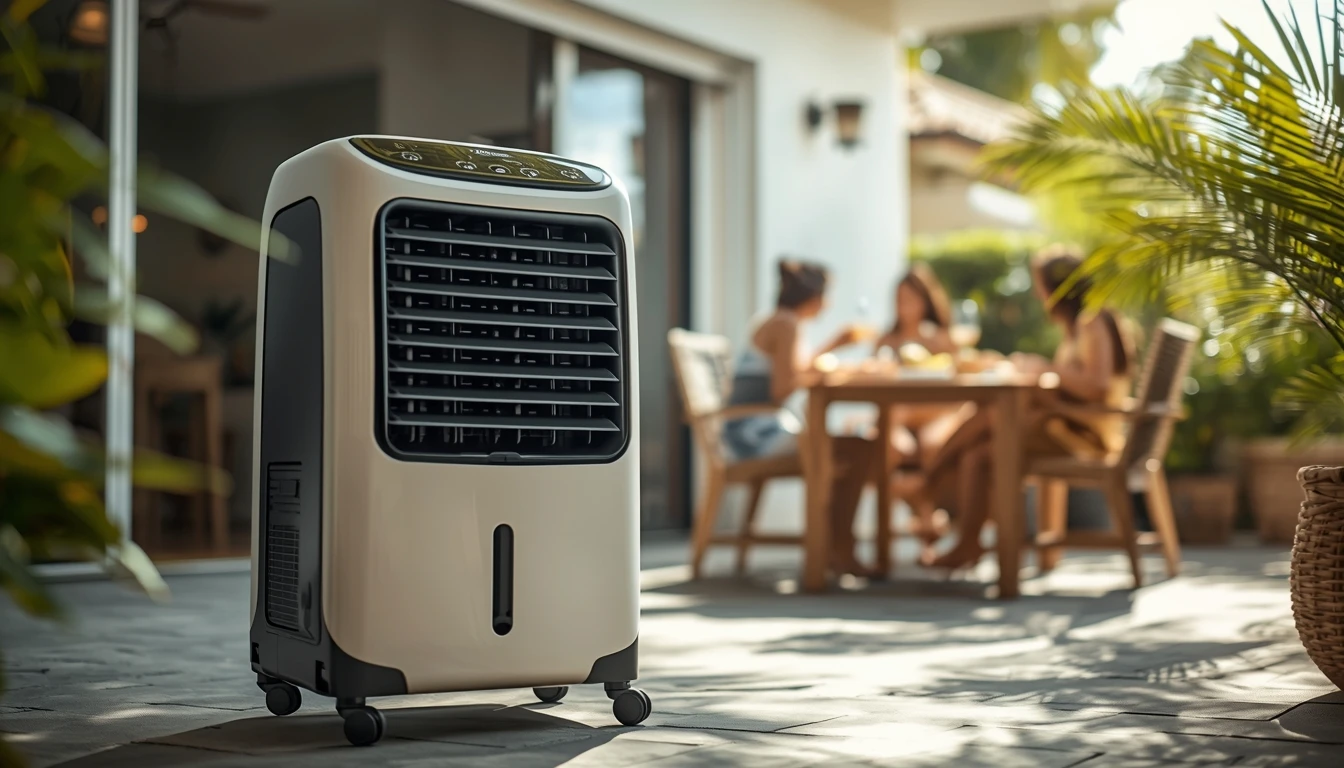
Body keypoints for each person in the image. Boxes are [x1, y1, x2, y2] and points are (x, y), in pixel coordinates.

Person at [919, 245, 1136, 570]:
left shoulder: (1095, 321)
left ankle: (929, 484)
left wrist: (1044, 369)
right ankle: (965, 538)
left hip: (1086, 434)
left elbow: (1098, 385)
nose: (1038, 295)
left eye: (1041, 286)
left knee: (991, 421)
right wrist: (1043, 372)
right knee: (979, 450)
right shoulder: (1079, 326)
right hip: (1070, 424)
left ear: (1059, 288)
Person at [724, 258, 880, 576]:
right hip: (754, 433)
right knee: (860, 447)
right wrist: (835, 350)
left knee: (853, 447)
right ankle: (837, 547)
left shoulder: (780, 321)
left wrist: (834, 347)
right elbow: (785, 386)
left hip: (750, 428)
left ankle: (837, 544)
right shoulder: (786, 325)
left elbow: (794, 372)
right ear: (815, 297)